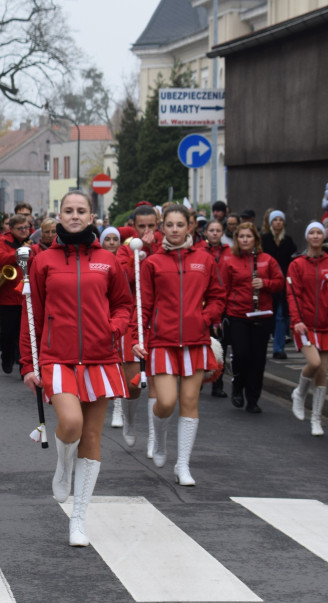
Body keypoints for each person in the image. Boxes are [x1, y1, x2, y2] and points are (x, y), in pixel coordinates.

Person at [21, 191, 133, 546]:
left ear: (91, 216)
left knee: (93, 437)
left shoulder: (108, 260)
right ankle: (63, 465)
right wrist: (28, 363)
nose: (74, 216)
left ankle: (78, 520)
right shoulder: (43, 260)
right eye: (68, 210)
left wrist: (112, 328)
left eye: (80, 211)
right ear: (59, 216)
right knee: (70, 423)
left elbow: (123, 306)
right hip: (57, 356)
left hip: (100, 357)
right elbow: (32, 317)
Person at [132, 204, 224, 485]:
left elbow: (219, 297)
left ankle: (182, 465)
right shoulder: (152, 263)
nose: (174, 230)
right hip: (162, 342)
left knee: (189, 402)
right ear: (162, 228)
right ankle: (158, 438)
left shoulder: (205, 259)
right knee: (166, 402)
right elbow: (144, 305)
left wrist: (203, 317)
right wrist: (139, 339)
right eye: (169, 225)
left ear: (190, 226)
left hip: (196, 342)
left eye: (179, 225)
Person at [285, 222, 328, 436]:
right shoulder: (297, 264)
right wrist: (296, 320)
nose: (315, 235)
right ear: (307, 236)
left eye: (319, 232)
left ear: (323, 236)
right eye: (311, 232)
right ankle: (300, 393)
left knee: (322, 372)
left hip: (327, 326)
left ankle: (316, 419)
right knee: (314, 362)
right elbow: (293, 295)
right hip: (304, 325)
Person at [221, 222, 285, 413]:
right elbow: (223, 289)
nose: (245, 240)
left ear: (255, 239)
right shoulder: (230, 260)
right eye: (241, 237)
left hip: (262, 314)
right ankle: (237, 386)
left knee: (258, 359)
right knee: (241, 354)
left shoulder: (267, 260)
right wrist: (220, 316)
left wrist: (264, 283)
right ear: (236, 239)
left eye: (249, 236)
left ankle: (253, 398)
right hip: (237, 314)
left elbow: (280, 283)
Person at [114, 205, 161, 453]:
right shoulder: (125, 248)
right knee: (133, 384)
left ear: (158, 223)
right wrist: (137, 258)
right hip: (135, 319)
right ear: (134, 225)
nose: (146, 232)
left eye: (151, 226)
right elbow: (123, 279)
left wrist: (152, 251)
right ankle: (129, 422)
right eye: (141, 226)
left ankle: (154, 437)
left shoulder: (165, 246)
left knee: (155, 382)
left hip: (161, 321)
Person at [0, 214, 39, 374]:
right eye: (20, 228)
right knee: (8, 332)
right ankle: (7, 357)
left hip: (27, 294)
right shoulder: (2, 241)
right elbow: (1, 258)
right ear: (11, 229)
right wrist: (21, 252)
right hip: (8, 294)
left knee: (24, 332)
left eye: (26, 227)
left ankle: (22, 362)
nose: (24, 231)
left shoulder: (33, 241)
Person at [262, 209, 298, 360]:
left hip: (283, 283)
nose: (278, 222)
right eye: (275, 220)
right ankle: (262, 346)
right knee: (266, 316)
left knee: (281, 316)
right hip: (267, 282)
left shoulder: (287, 241)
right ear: (270, 223)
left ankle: (278, 348)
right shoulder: (264, 239)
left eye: (280, 220)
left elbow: (292, 260)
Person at [202, 220, 232, 398]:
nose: (214, 233)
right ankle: (198, 379)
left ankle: (217, 382)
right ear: (206, 233)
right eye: (211, 230)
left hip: (224, 304)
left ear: (222, 233)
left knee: (220, 346)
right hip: (203, 307)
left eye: (217, 230)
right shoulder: (200, 252)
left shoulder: (229, 252)